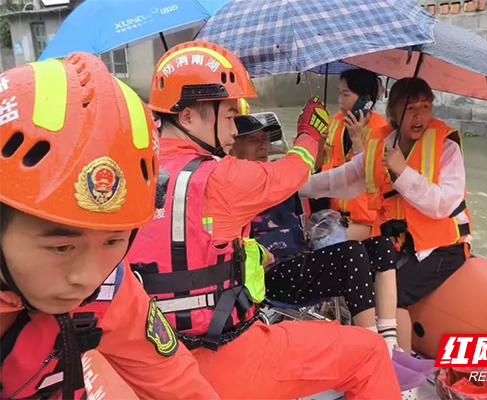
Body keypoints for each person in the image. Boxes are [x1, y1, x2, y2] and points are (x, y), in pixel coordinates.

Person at [128, 41, 402, 399]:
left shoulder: (135, 173)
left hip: (158, 359)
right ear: (188, 116)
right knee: (369, 353)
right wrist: (310, 132)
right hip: (224, 354)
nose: (232, 133)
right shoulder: (221, 178)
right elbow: (293, 171)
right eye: (228, 117)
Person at [0, 53, 218, 399]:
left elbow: (174, 382)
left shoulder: (110, 288)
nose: (86, 278)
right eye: (61, 246)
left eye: (114, 241)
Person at [300, 76, 470, 375]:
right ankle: (366, 350)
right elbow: (344, 178)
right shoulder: (382, 143)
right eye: (410, 108)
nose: (419, 116)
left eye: (425, 107)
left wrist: (402, 172)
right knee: (359, 272)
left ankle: (402, 373)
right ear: (393, 112)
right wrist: (295, 186)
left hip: (442, 246)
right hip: (397, 241)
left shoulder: (446, 148)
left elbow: (443, 204)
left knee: (397, 293)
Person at [317, 68, 389, 241]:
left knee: (326, 240)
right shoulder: (335, 122)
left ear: (364, 100)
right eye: (339, 93)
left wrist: (357, 140)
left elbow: (373, 178)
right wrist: (319, 145)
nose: (340, 101)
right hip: (336, 214)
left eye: (346, 95)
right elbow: (319, 167)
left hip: (369, 221)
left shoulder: (381, 130)